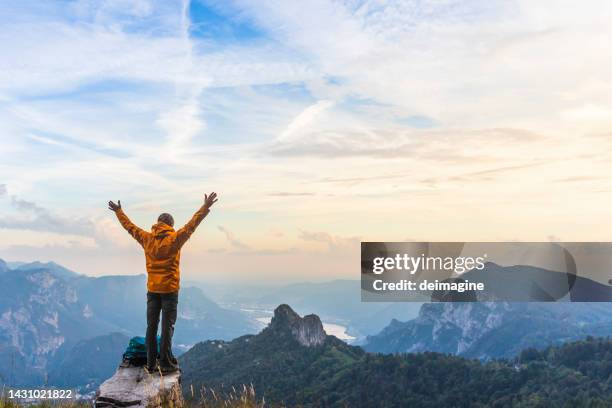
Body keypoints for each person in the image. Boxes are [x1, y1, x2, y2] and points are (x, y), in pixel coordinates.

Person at [108, 192, 218, 374]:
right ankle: (165, 364)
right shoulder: (175, 238)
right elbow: (192, 224)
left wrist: (119, 211)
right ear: (171, 225)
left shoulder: (147, 238)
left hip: (152, 290)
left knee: (151, 327)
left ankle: (151, 364)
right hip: (170, 290)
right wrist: (205, 206)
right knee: (167, 327)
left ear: (158, 223)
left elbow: (130, 227)